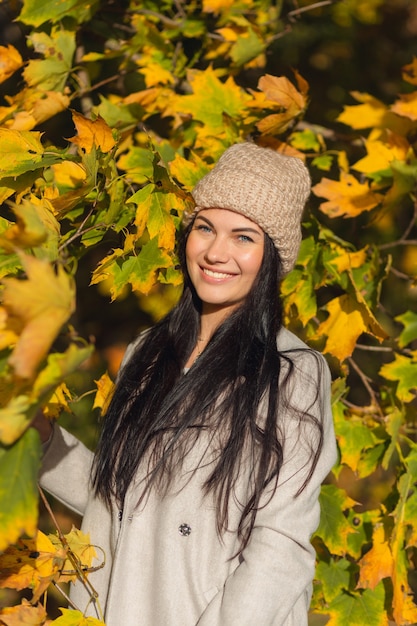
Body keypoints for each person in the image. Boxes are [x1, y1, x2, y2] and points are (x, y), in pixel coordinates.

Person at [38, 142, 337, 626]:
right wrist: (42, 438)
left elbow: (280, 545)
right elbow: (123, 498)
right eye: (205, 228)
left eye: (243, 237)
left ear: (272, 257)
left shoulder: (289, 371)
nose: (216, 252)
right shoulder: (148, 351)